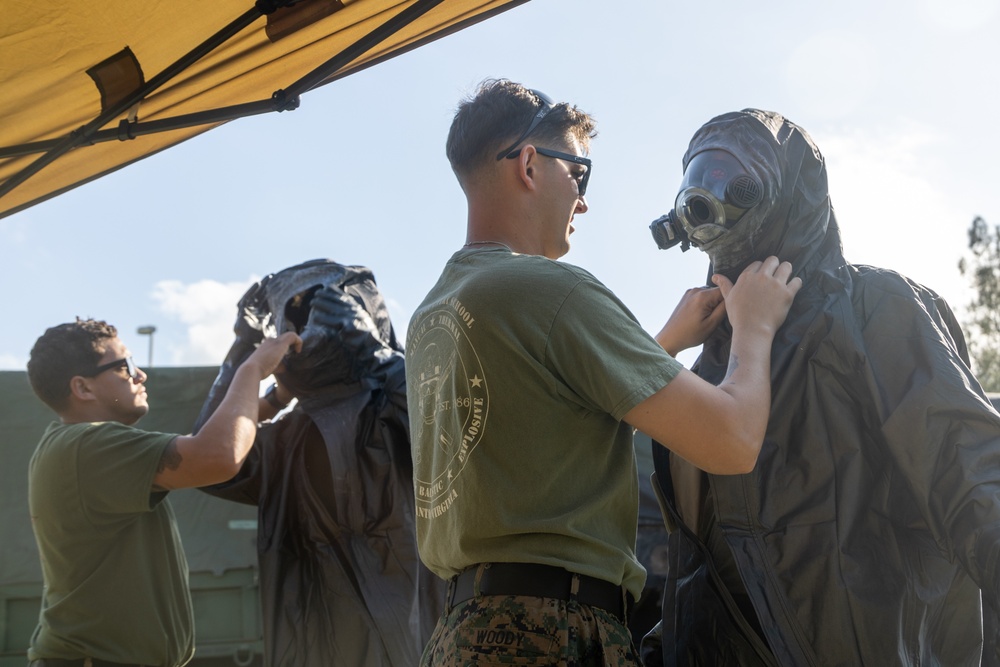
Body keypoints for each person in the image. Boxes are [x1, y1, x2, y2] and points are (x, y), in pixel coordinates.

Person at [404, 78, 802, 666]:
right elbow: (733, 440)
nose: (584, 201)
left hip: (465, 633)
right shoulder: (549, 290)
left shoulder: (436, 314)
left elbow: (550, 432)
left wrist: (661, 345)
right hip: (553, 632)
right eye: (579, 174)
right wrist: (755, 328)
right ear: (530, 163)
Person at [644, 108, 1000, 666]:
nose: (709, 200)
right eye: (698, 181)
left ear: (789, 191)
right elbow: (697, 562)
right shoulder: (710, 371)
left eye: (731, 182)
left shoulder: (872, 308)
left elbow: (972, 473)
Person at [192, 259, 445, 666]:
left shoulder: (397, 405)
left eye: (321, 308)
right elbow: (208, 461)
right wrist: (245, 354)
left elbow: (441, 422)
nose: (310, 325)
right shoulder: (285, 442)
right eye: (297, 315)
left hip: (418, 648)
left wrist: (374, 353)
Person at [25, 317, 300, 667]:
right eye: (125, 365)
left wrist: (277, 398)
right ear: (83, 388)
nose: (140, 375)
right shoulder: (87, 446)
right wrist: (253, 368)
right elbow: (218, 455)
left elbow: (208, 444)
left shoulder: (83, 447)